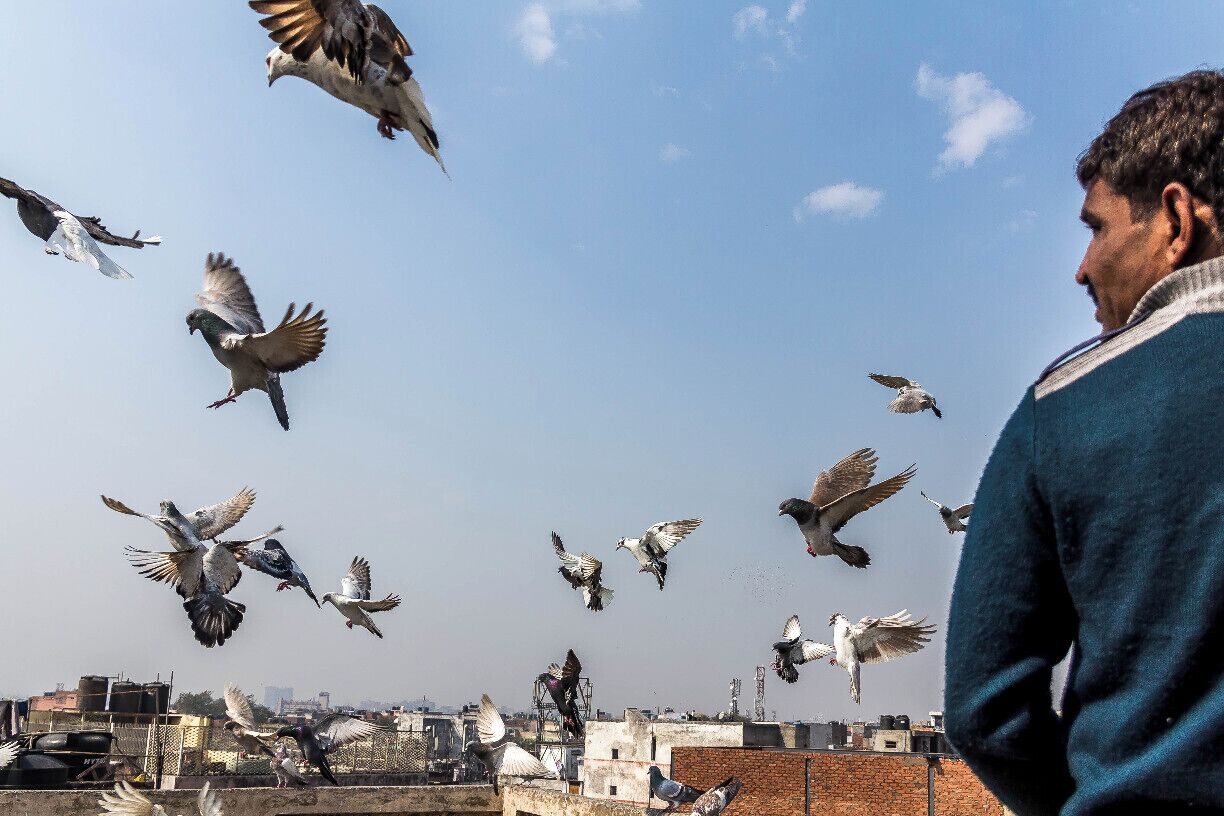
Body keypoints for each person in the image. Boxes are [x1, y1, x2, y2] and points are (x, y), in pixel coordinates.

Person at [945, 70, 1224, 815]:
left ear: (1175, 221)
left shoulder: (1065, 410)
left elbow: (983, 711)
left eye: (1097, 228)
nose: (1082, 268)